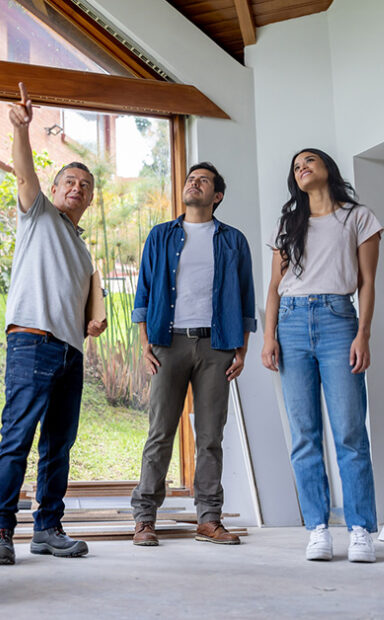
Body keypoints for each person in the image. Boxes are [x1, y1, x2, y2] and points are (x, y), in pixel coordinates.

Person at [0, 83, 107, 566]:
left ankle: (48, 529)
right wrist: (21, 128)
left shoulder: (81, 248)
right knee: (17, 437)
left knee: (59, 445)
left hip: (69, 351)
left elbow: (86, 301)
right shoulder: (38, 216)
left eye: (85, 186)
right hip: (32, 342)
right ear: (55, 191)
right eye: (69, 182)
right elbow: (23, 173)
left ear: (89, 200)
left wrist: (93, 322)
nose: (77, 188)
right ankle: (0, 531)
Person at [261, 148, 382, 563]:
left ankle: (361, 528)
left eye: (309, 161)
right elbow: (274, 287)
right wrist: (268, 337)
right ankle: (317, 528)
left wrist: (362, 334)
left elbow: (367, 282)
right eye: (295, 166)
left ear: (327, 168)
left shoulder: (357, 217)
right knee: (304, 435)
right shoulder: (288, 224)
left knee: (349, 432)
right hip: (291, 325)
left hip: (337, 321)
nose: (302, 167)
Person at [130, 162, 256, 547]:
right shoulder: (161, 235)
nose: (193, 183)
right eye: (190, 178)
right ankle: (145, 519)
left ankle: (208, 518)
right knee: (160, 433)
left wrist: (242, 349)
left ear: (216, 196)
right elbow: (145, 290)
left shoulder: (233, 240)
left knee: (210, 436)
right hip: (169, 343)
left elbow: (246, 295)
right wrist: (144, 343)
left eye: (203, 181)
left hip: (217, 345)